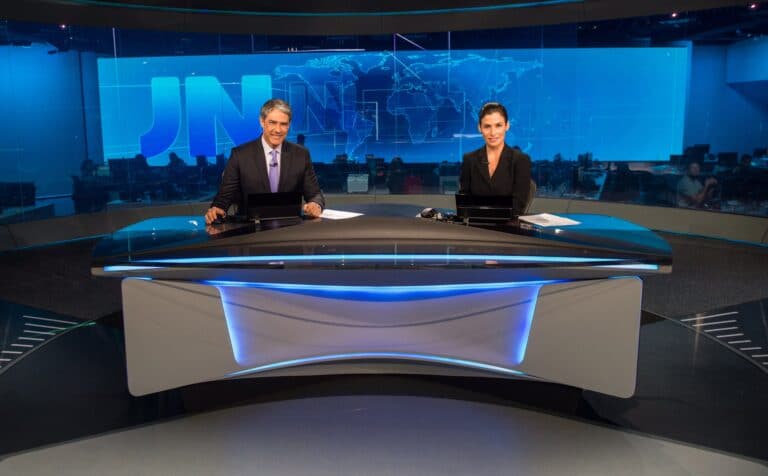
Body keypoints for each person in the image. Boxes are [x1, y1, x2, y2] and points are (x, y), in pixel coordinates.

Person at [205, 99, 325, 224]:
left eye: (283, 124)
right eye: (272, 123)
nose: (278, 130)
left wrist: (315, 204)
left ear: (289, 125)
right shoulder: (240, 155)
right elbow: (223, 198)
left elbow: (315, 194)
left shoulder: (301, 154)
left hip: (289, 228)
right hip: (250, 229)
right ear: (262, 121)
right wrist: (217, 209)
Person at [459, 102, 531, 216]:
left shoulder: (521, 160)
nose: (493, 133)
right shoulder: (469, 160)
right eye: (487, 126)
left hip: (508, 224)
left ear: (507, 126)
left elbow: (518, 205)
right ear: (479, 128)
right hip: (476, 223)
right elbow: (464, 203)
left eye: (498, 125)